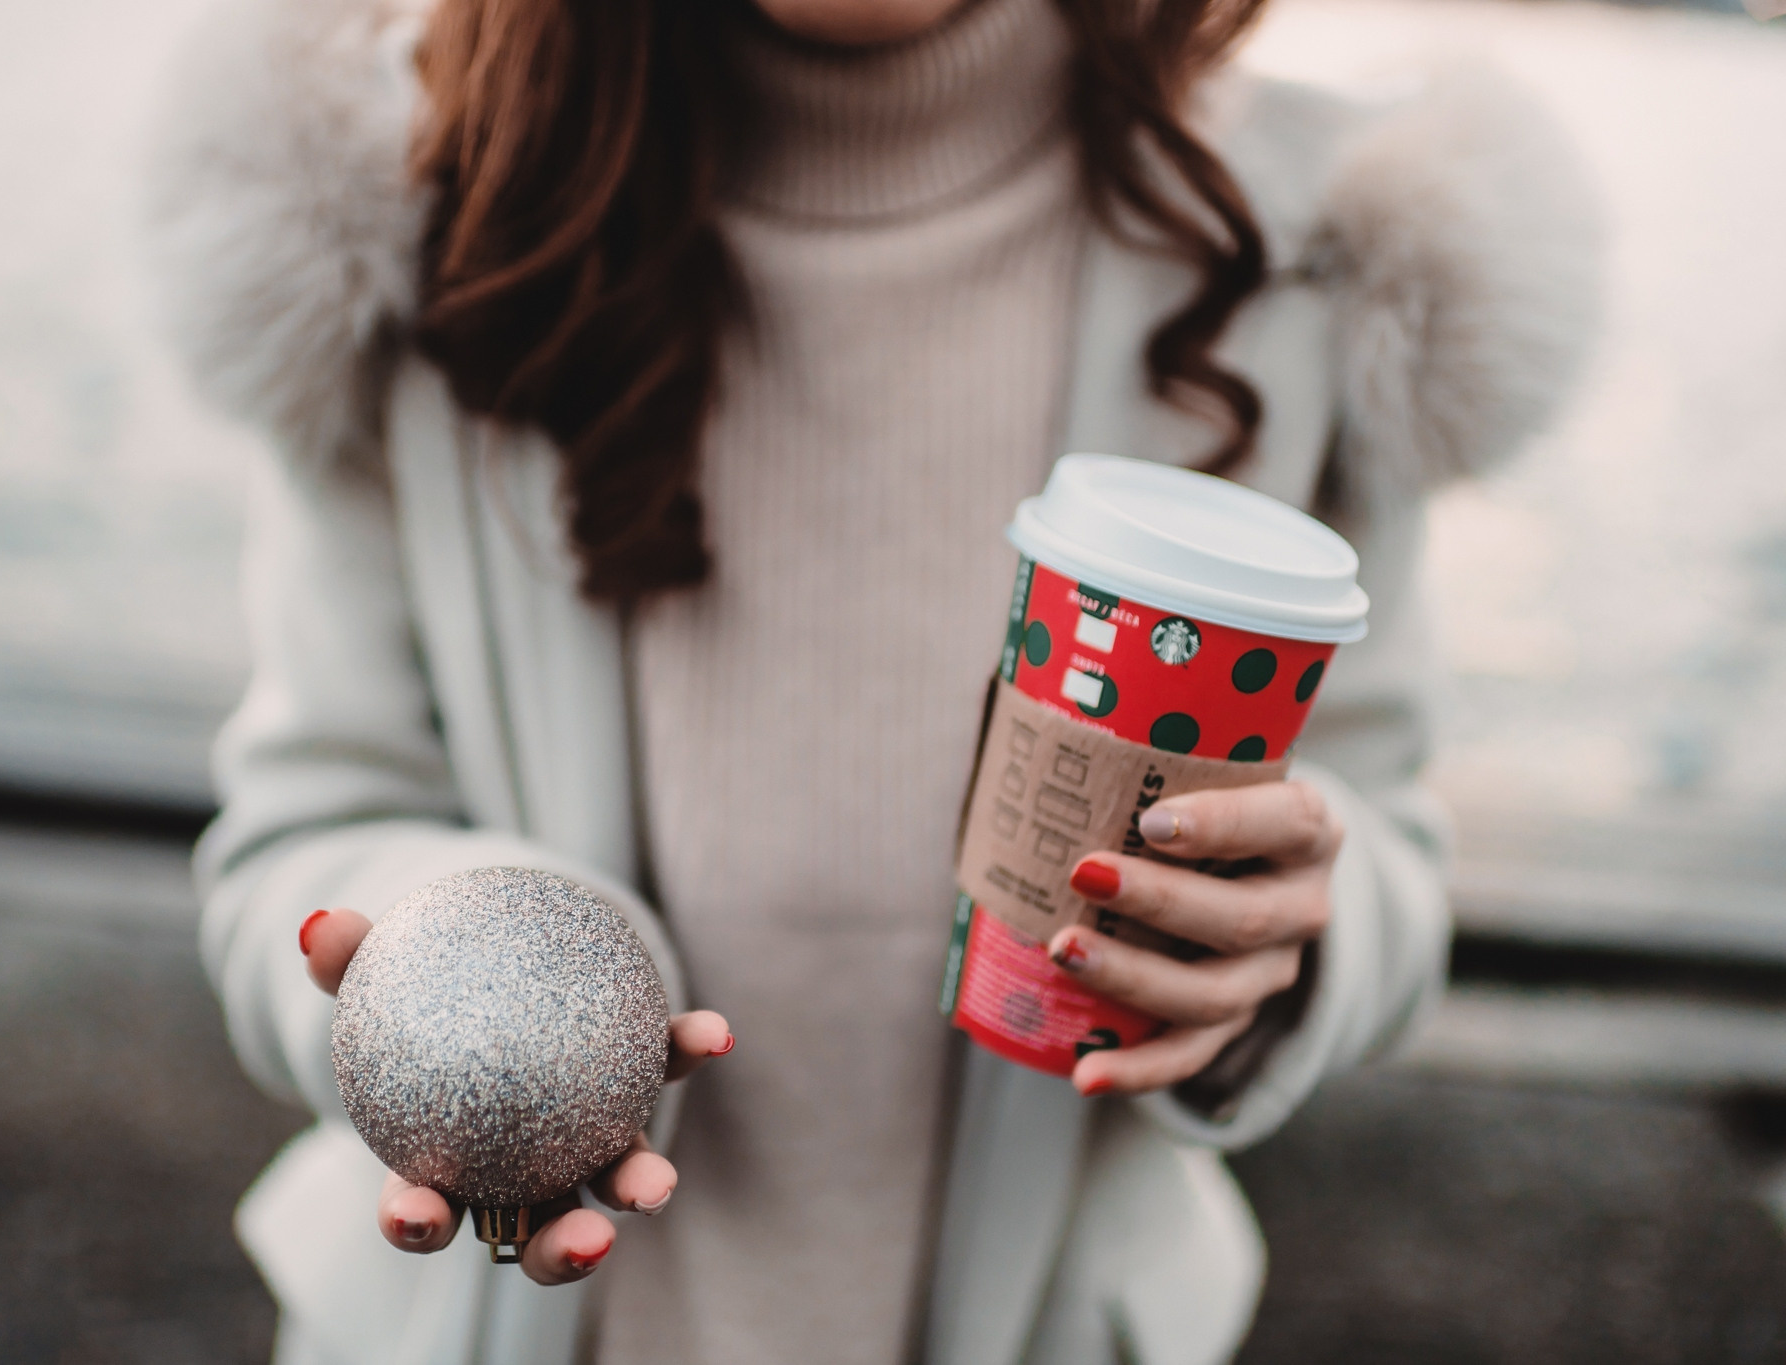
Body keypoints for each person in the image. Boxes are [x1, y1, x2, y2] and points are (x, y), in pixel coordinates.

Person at [144, 0, 1597, 1358]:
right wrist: (457, 954)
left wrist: (1279, 950)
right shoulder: (413, 206)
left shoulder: (1316, 255)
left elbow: (1387, 853)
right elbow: (299, 836)